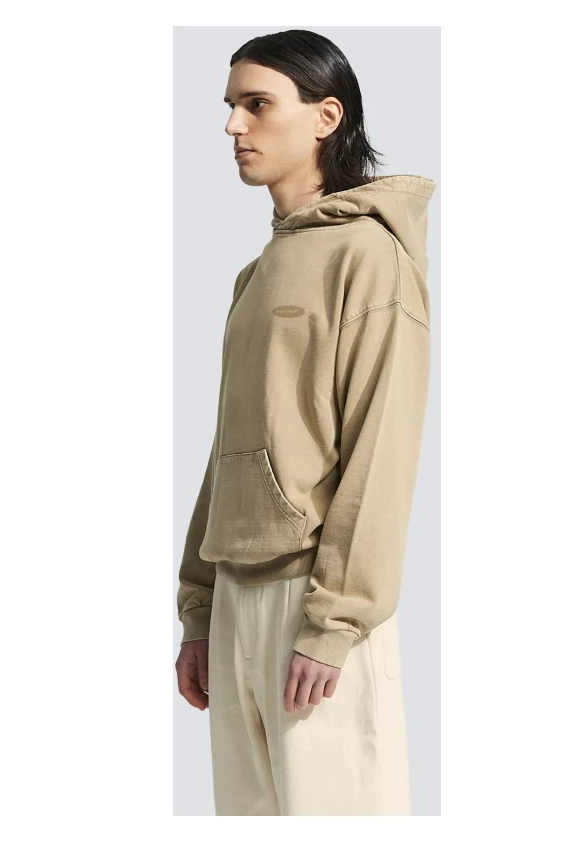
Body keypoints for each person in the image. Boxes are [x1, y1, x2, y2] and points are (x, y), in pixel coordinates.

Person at [175, 29, 436, 816]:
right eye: (230, 106)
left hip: (313, 605)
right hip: (234, 598)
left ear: (326, 116)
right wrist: (199, 607)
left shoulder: (369, 256)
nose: (233, 126)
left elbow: (381, 448)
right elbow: (229, 445)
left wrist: (333, 623)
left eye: (256, 105)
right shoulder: (255, 274)